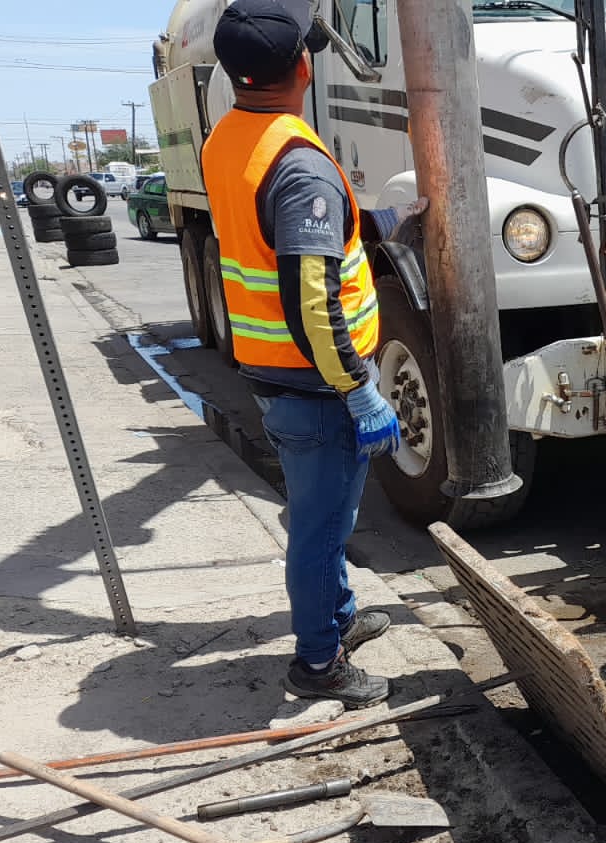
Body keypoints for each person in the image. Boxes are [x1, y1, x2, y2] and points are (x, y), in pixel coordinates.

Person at [204, 0, 424, 707]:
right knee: (320, 531)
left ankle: (341, 620)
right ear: (302, 66)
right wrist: (358, 388)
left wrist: (384, 220)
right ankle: (318, 665)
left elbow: (288, 243)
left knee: (321, 518)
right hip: (318, 389)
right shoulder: (298, 163)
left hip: (277, 376)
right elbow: (310, 294)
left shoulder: (230, 139)